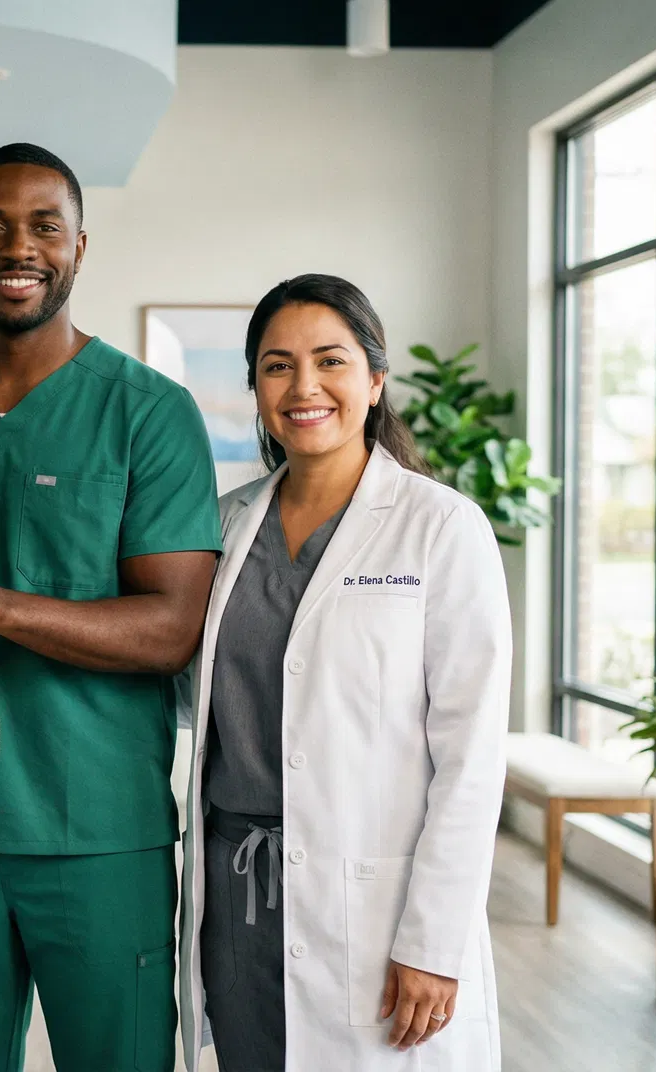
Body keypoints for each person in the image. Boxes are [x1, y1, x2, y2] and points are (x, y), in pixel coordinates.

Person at [0, 143, 222, 1072]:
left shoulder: (148, 412)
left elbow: (173, 628)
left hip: (102, 836)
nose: (16, 247)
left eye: (42, 226)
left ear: (79, 245)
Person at [175, 274, 511, 1071]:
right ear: (256, 387)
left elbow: (472, 757)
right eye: (277, 366)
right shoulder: (224, 526)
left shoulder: (441, 528)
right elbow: (191, 699)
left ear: (375, 380)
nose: (305, 387)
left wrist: (435, 939)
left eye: (330, 361)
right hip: (238, 899)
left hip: (376, 899)